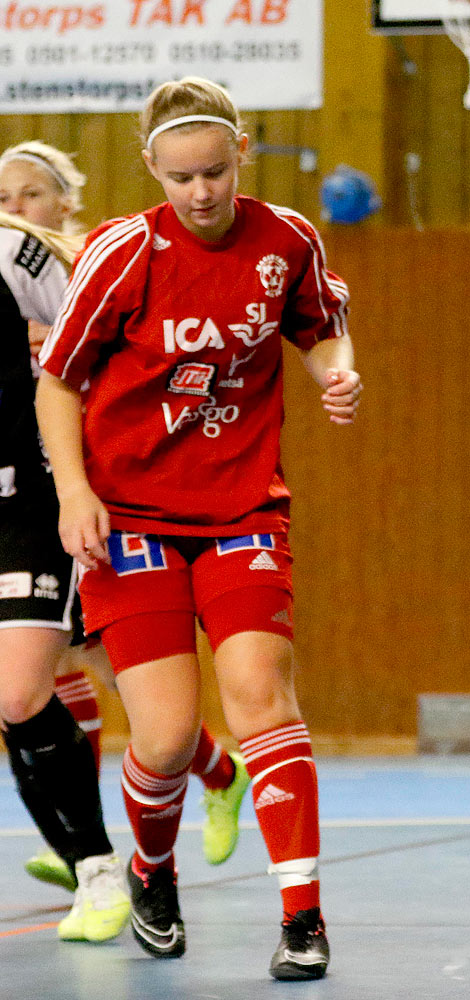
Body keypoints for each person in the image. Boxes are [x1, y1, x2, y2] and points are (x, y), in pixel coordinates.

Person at [34, 76, 360, 981]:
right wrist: (72, 491)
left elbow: (320, 326)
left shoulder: (287, 238)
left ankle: (303, 916)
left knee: (260, 690)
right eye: (180, 178)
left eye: (215, 172)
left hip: (241, 508)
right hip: (130, 514)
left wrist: (339, 371)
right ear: (152, 169)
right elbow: (57, 380)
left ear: (241, 153)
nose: (201, 193)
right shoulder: (120, 251)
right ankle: (151, 870)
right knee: (169, 738)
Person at [0, 141, 251, 895]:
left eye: (28, 195)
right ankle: (186, 789)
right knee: (87, 669)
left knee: (38, 682)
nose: (15, 208)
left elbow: (103, 370)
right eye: (4, 196)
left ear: (62, 201)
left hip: (61, 492)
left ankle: (97, 856)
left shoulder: (65, 264)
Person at [0, 209, 132, 944]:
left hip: (26, 501)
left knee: (20, 691)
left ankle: (99, 867)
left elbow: (96, 351)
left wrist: (83, 485)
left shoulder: (14, 255)